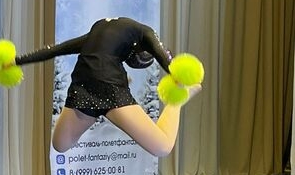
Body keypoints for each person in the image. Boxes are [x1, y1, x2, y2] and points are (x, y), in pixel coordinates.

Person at [10, 16, 201, 157]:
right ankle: (178, 99)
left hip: (91, 83)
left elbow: (57, 49)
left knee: (61, 144)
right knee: (61, 144)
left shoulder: (100, 31)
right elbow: (166, 58)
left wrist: (17, 61)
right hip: (95, 86)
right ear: (141, 51)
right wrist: (179, 78)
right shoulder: (146, 32)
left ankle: (99, 111)